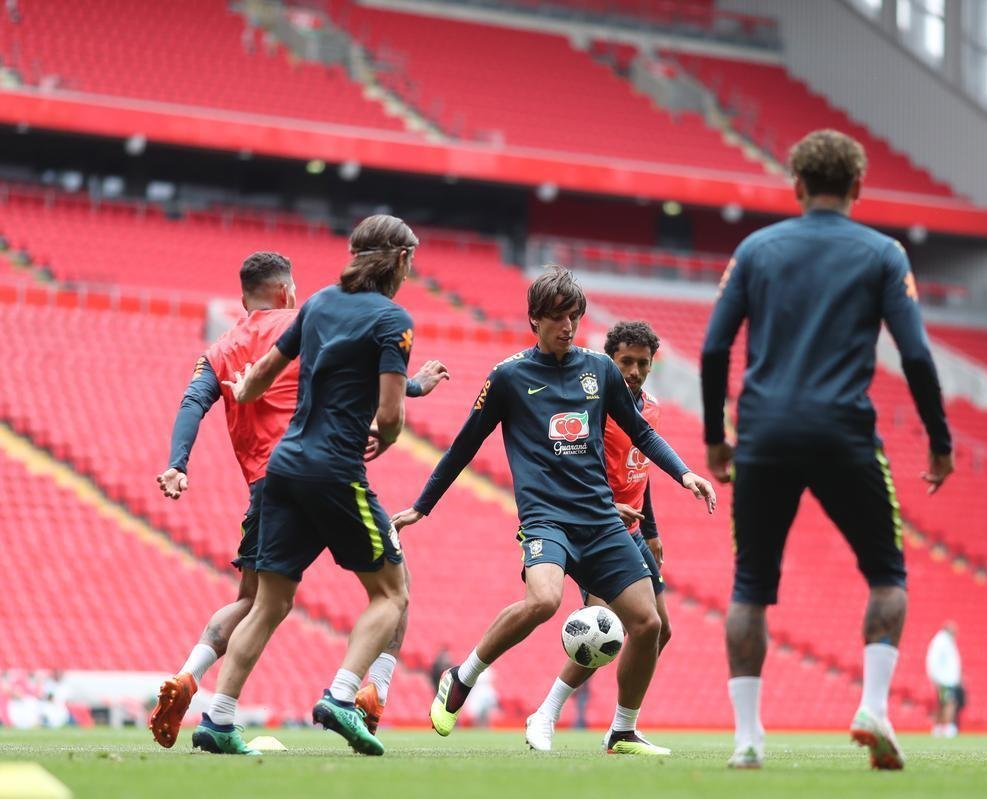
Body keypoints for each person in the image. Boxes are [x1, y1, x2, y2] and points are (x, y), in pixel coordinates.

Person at [701, 129, 955, 771]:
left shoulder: (756, 249)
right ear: (858, 188)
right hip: (845, 434)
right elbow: (917, 355)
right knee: (887, 575)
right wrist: (939, 441)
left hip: (762, 437)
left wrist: (715, 437)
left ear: (797, 185)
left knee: (750, 587)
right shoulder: (883, 254)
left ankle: (748, 740)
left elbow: (712, 348)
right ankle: (872, 705)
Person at [391, 267, 717, 756]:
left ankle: (622, 730)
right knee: (543, 601)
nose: (568, 326)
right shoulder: (508, 377)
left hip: (601, 519)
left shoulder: (599, 371)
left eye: (574, 316)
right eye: (558, 317)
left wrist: (685, 472)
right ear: (534, 321)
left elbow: (642, 434)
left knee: (650, 625)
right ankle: (462, 677)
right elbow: (464, 446)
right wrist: (422, 506)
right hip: (546, 518)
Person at [149, 252, 448, 748]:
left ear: (245, 296)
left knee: (257, 601)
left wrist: (178, 462)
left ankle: (197, 685)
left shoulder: (221, 348)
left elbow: (193, 401)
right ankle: (369, 690)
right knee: (395, 585)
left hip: (268, 489)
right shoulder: (308, 320)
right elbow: (356, 369)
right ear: (287, 292)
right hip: (318, 467)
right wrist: (414, 387)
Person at [524, 320, 671, 752]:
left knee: (658, 630)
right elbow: (570, 473)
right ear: (609, 360)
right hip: (595, 528)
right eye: (626, 361)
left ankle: (623, 729)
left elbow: (642, 466)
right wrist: (607, 509)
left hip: (632, 531)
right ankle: (546, 713)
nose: (635, 370)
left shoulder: (651, 409)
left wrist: (652, 528)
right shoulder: (593, 409)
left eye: (643, 363)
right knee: (604, 630)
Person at [926, 621, 963, 737]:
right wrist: (936, 677)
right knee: (949, 703)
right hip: (946, 680)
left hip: (946, 680)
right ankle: (947, 727)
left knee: (942, 703)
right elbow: (933, 660)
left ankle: (938, 727)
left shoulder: (946, 641)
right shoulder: (942, 642)